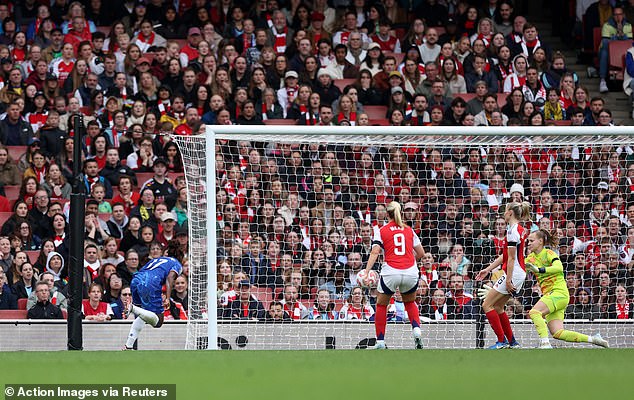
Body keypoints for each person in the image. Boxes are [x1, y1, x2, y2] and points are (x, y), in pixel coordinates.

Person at [524, 229, 609, 348]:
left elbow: (559, 268)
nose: (528, 243)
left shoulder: (549, 253)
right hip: (551, 296)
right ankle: (594, 339)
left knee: (534, 312)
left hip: (558, 293)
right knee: (558, 333)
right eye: (528, 241)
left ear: (540, 241)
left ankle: (545, 343)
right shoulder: (530, 259)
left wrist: (539, 270)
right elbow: (518, 271)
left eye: (531, 240)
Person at [361, 201, 426, 349]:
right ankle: (416, 330)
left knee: (381, 305)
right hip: (410, 271)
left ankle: (381, 342)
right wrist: (408, 261)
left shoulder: (382, 230)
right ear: (400, 213)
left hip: (391, 271)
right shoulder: (409, 230)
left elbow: (375, 251)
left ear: (387, 214)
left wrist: (366, 271)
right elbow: (421, 253)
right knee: (409, 302)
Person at [475, 201, 531, 349]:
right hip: (518, 272)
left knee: (487, 304)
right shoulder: (517, 229)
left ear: (510, 213)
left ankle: (501, 341)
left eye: (505, 211)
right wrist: (487, 269)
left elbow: (511, 259)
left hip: (514, 273)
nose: (503, 214)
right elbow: (505, 255)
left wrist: (508, 280)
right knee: (498, 307)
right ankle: (512, 342)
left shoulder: (513, 231)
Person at [123, 242, 184, 350]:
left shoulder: (157, 260)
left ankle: (128, 346)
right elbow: (170, 278)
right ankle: (132, 307)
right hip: (151, 282)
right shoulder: (177, 264)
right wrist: (168, 298)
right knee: (158, 321)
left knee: (142, 314)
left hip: (136, 279)